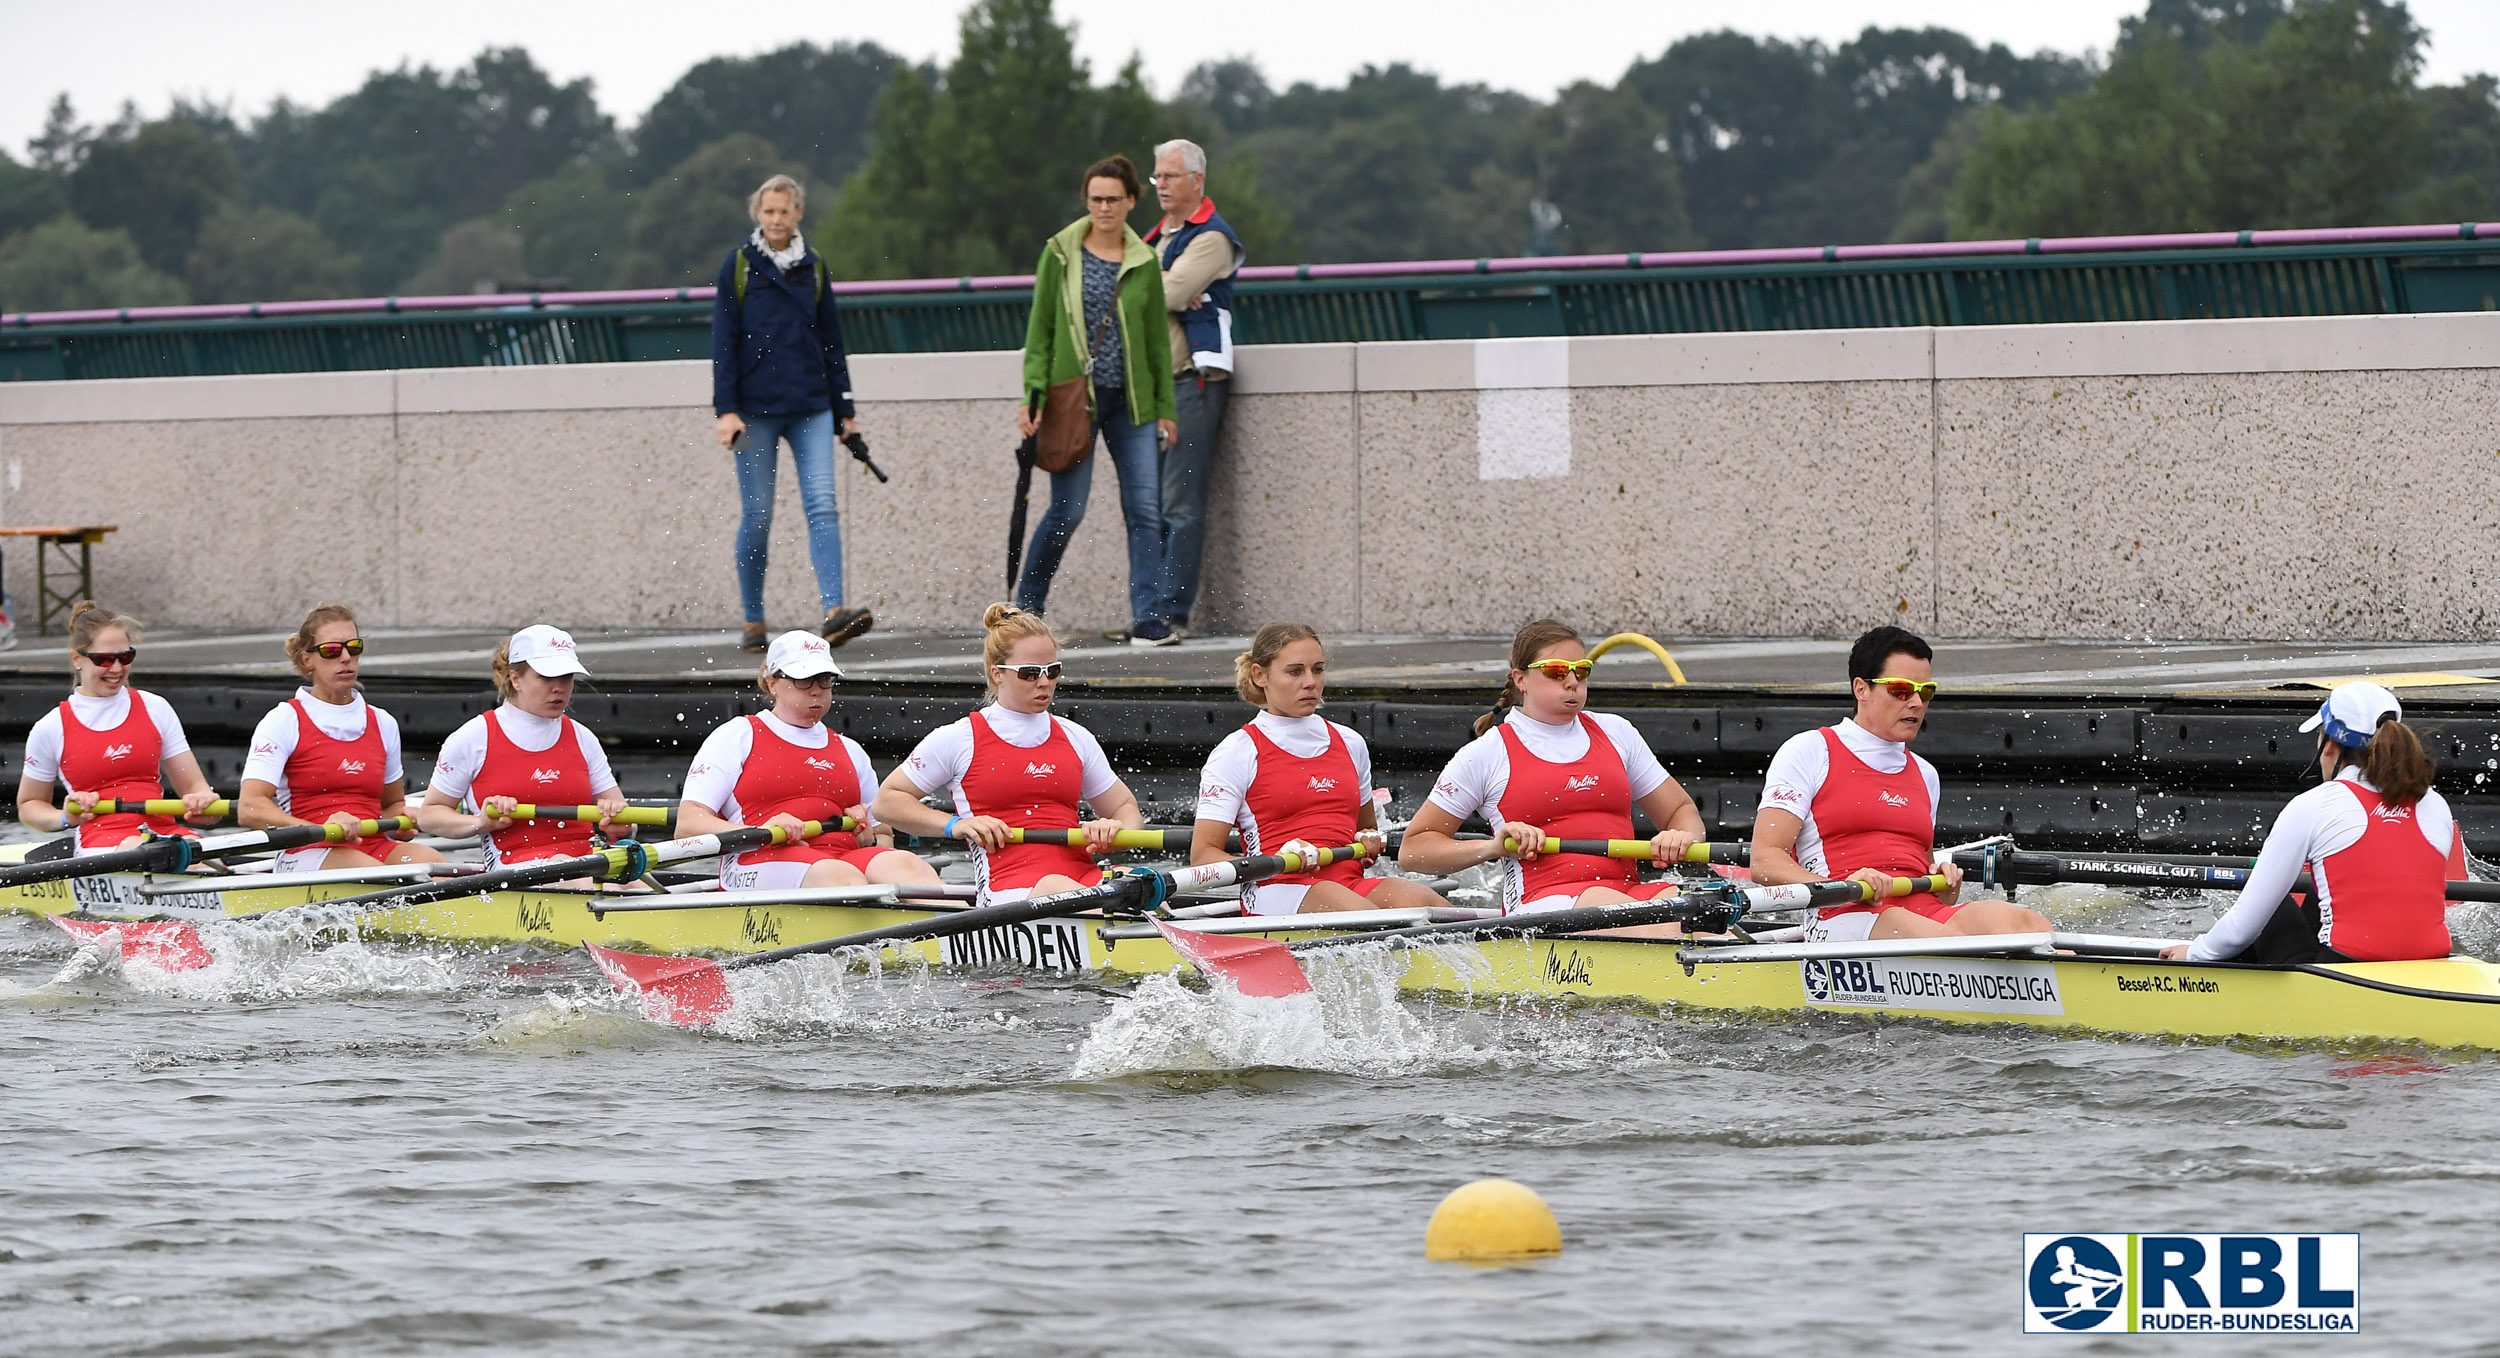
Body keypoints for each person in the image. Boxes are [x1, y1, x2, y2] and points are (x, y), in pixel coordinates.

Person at [1750, 626, 2050, 942]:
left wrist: (1941, 883)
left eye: (1926, 692)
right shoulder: (1810, 750)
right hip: (1842, 913)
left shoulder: (1925, 774)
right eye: (1902, 690)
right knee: (1941, 938)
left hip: (1922, 914)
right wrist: (1839, 886)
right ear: (1861, 689)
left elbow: (1921, 866)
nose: (1917, 703)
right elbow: (1764, 861)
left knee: (2027, 925)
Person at [1398, 620, 1708, 924]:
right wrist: (1492, 847)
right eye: (1556, 671)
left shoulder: (1617, 733)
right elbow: (1414, 850)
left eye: (1581, 670)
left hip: (1628, 895)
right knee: (1657, 920)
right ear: (1521, 679)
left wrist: (1680, 838)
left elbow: (1680, 810)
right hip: (1543, 903)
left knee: (1704, 922)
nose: (1572, 681)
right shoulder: (1487, 754)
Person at [2161, 682, 2466, 964]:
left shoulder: (2315, 805)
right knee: (2321, 894)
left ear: (2330, 746)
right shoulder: (2435, 805)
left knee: (2273, 904)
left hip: (2346, 972)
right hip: (2430, 965)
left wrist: (2195, 953)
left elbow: (2243, 927)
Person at [1012, 155, 1180, 644]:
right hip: (1071, 401)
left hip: (1134, 404)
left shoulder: (1144, 260)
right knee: (1068, 509)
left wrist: (1166, 408)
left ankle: (1148, 617)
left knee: (1145, 509)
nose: (1104, 207)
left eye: (1114, 198)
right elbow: (1040, 331)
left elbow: (1154, 343)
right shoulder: (1060, 252)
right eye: (1095, 199)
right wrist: (1033, 396)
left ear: (1131, 201)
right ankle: (1026, 608)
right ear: (1087, 201)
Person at [873, 605, 1146, 904]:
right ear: (997, 674)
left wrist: (1115, 830)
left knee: (1140, 881)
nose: (1044, 683)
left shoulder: (1075, 736)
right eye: (1030, 673)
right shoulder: (959, 738)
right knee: (1059, 886)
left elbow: (1125, 807)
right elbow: (887, 802)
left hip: (1080, 879)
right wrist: (955, 825)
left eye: (1052, 671)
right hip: (1009, 891)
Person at [711, 172, 872, 655]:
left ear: (799, 213)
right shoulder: (738, 266)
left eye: (785, 211)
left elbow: (832, 342)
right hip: (755, 411)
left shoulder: (815, 268)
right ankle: (753, 619)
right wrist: (726, 409)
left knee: (822, 505)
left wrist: (846, 409)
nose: (777, 219)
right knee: (758, 515)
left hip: (811, 406)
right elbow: (723, 342)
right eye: (769, 211)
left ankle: (833, 612)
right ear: (758, 215)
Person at [1192, 623, 1442, 915]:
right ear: (1260, 675)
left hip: (1348, 883)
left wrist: (1368, 837)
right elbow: (1202, 856)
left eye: (1318, 669)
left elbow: (1365, 827)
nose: (1310, 682)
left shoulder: (1351, 742)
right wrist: (1281, 857)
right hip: (1276, 888)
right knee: (1368, 917)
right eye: (1295, 671)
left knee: (1432, 906)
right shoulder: (1237, 751)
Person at [677, 631, 939, 892]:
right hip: (757, 857)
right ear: (772, 683)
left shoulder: (851, 750)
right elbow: (688, 826)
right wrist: (760, 829)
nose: (816, 691)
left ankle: (957, 929)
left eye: (824, 680)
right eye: (804, 680)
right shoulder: (736, 736)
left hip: (839, 862)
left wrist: (868, 838)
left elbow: (884, 836)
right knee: (841, 878)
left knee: (911, 867)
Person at [237, 602, 442, 875]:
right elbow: (250, 808)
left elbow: (391, 805)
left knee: (442, 869)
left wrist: (401, 820)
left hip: (373, 846)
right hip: (307, 850)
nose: (345, 657)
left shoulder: (383, 723)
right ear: (306, 659)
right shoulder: (283, 720)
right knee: (381, 876)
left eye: (353, 648)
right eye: (331, 650)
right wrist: (321, 831)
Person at [415, 625, 630, 869]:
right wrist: (481, 822)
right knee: (565, 867)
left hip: (583, 862)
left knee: (630, 883)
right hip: (512, 867)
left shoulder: (583, 738)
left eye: (566, 677)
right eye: (547, 677)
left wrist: (620, 828)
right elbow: (429, 816)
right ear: (516, 679)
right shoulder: (473, 737)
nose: (559, 687)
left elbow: (624, 822)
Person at [14, 601, 220, 852]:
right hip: (100, 840)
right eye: (103, 660)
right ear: (77, 659)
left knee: (197, 851)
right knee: (138, 848)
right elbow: (29, 806)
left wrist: (203, 802)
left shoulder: (156, 708)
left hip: (164, 834)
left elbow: (194, 789)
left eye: (125, 657)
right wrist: (65, 817)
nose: (116, 669)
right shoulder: (51, 727)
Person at [1142, 138, 1244, 640]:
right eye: (1157, 176)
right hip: (1155, 387)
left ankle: (1171, 614)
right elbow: (1149, 289)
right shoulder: (1159, 237)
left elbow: (1167, 293)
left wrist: (1154, 280)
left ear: (1197, 181)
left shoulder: (1212, 238)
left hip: (1193, 383)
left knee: (1179, 503)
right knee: (1152, 502)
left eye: (1170, 176)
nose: (1159, 184)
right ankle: (1150, 610)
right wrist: (1156, 278)